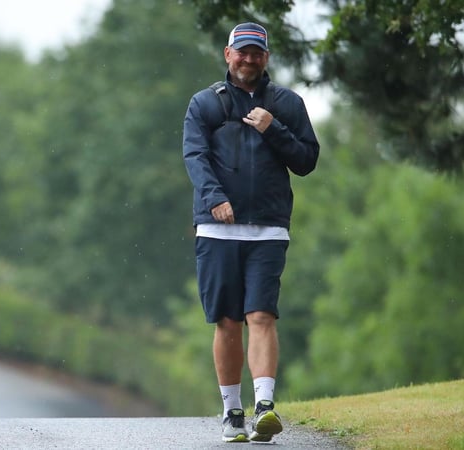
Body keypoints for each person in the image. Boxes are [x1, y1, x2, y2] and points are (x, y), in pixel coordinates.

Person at [181, 22, 319, 443]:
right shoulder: (205, 103)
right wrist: (214, 197)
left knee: (261, 315)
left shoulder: (287, 104)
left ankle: (264, 407)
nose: (248, 59)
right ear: (228, 55)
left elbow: (307, 160)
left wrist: (271, 127)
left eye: (256, 53)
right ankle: (231, 413)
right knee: (226, 322)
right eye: (242, 52)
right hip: (217, 230)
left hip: (268, 230)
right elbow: (195, 156)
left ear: (266, 58)